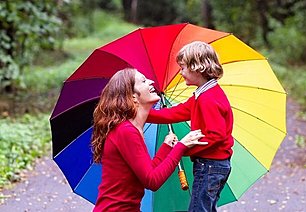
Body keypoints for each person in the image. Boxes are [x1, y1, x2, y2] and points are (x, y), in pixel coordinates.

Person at [91, 68, 207, 212]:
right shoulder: (126, 131)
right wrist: (181, 146)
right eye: (144, 81)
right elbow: (152, 181)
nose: (151, 82)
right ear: (133, 96)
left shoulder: (130, 129)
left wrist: (166, 147)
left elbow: (147, 172)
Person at [147, 41, 234, 212]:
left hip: (210, 165)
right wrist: (143, 114)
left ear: (197, 68)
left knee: (198, 209)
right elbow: (175, 113)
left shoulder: (208, 99)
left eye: (183, 68)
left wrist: (183, 149)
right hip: (211, 164)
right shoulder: (201, 95)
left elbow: (215, 136)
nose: (181, 73)